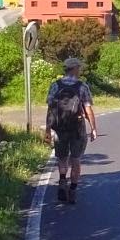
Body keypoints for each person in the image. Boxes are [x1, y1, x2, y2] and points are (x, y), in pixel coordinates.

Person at [45, 57, 97, 203]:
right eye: (78, 68)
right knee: (76, 159)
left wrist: (48, 129)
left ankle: (62, 181)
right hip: (77, 129)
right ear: (74, 69)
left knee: (62, 158)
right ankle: (73, 190)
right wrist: (93, 128)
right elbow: (88, 109)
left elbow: (50, 109)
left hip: (60, 128)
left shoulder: (55, 85)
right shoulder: (82, 86)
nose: (79, 70)